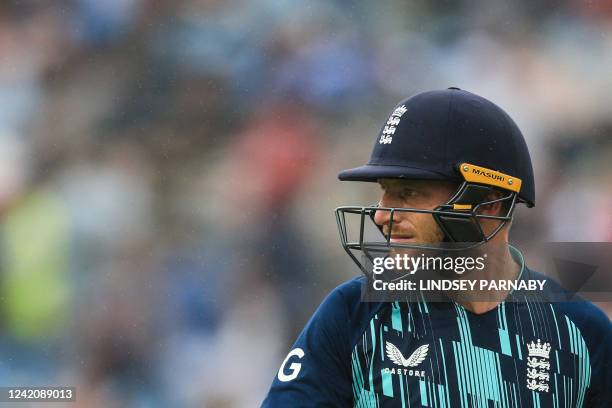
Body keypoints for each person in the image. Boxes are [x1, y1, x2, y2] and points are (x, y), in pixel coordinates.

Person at [261, 88, 612, 407]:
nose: (382, 215)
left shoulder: (582, 332)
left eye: (408, 193)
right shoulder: (353, 313)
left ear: (487, 203)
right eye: (383, 191)